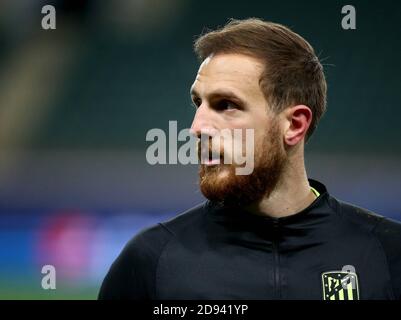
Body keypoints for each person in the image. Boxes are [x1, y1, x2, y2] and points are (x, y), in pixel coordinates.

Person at [98, 18, 401, 300]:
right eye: (198, 103)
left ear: (294, 125)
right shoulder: (150, 262)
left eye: (226, 104)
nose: (196, 127)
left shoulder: (387, 255)